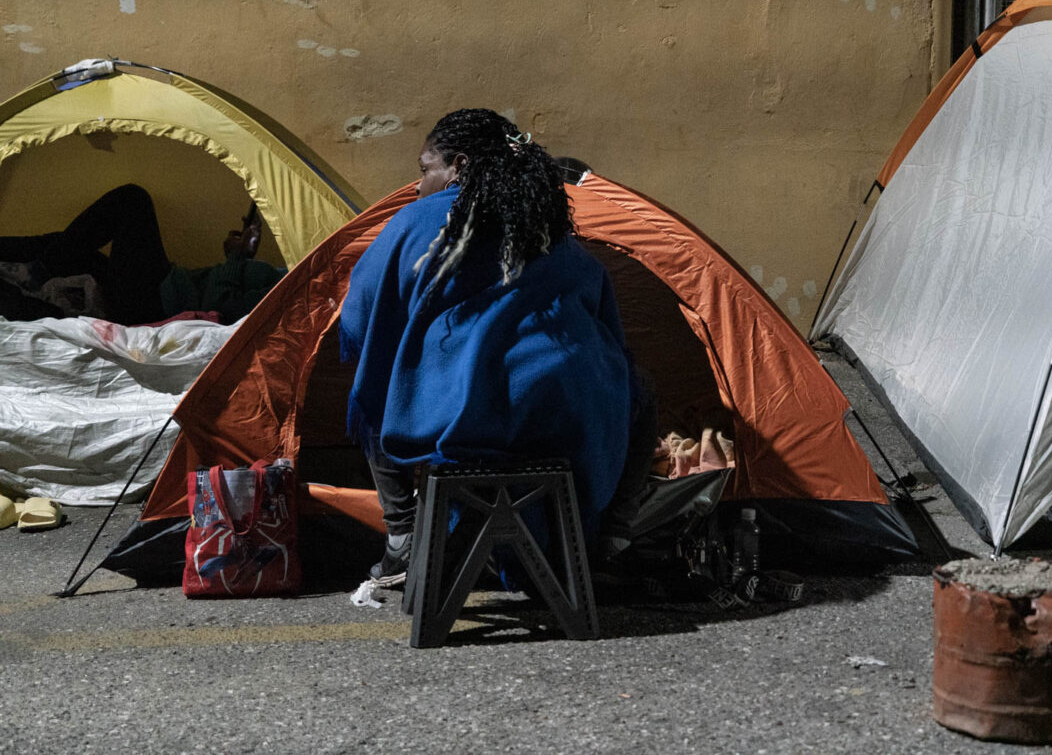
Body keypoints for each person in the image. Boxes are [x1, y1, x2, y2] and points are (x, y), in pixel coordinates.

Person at [340, 108, 637, 586]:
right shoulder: (548, 226)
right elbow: (604, 321)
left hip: (461, 422)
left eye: (425, 170)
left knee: (372, 388)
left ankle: (404, 536)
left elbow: (360, 316)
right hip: (566, 420)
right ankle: (608, 541)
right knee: (634, 389)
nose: (418, 187)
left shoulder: (416, 220)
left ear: (457, 166)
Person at [0, 184, 285, 325]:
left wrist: (239, 258)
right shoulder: (285, 275)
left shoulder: (291, 295)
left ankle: (43, 270)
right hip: (162, 287)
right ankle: (45, 266)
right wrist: (232, 257)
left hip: (154, 304)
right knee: (66, 245)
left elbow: (221, 309)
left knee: (132, 201)